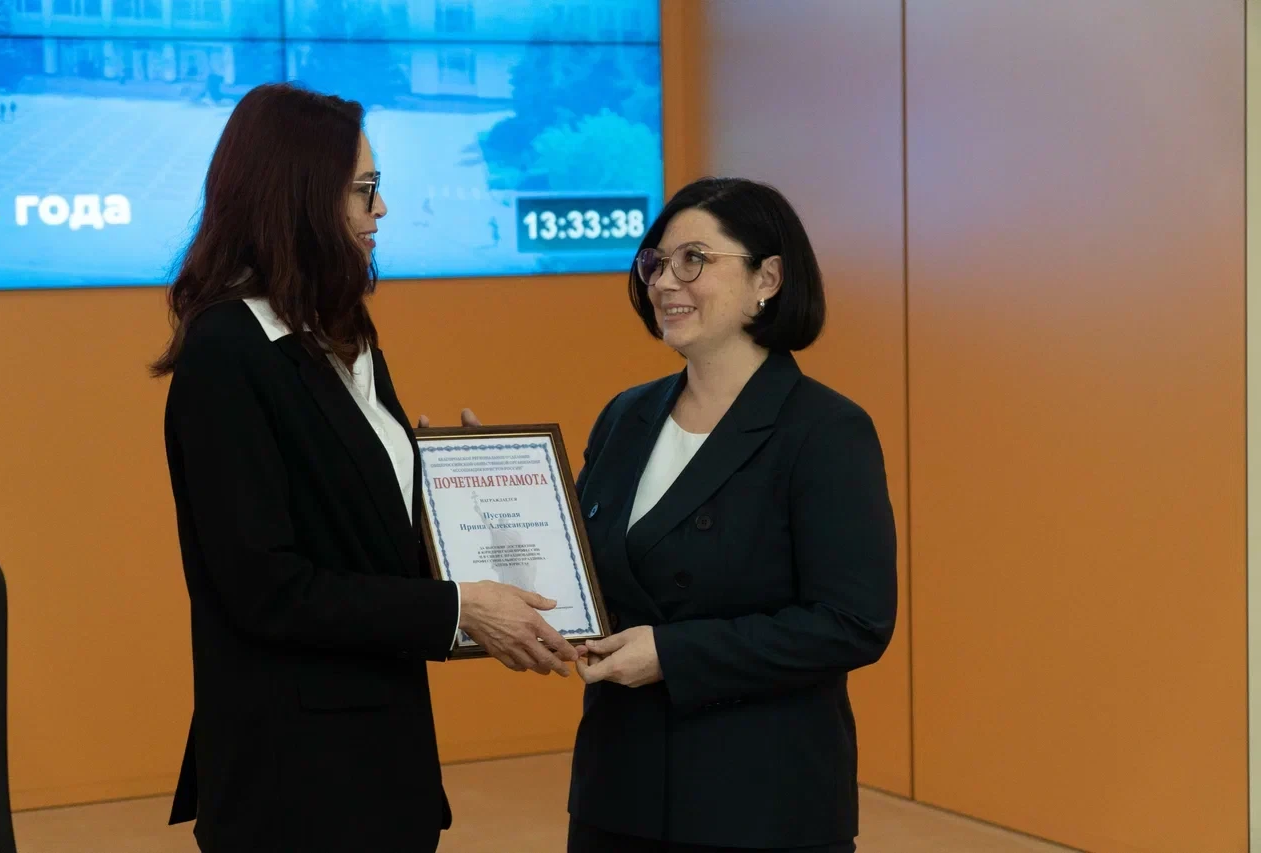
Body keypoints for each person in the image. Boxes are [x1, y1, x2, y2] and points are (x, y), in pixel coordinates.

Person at [149, 82, 577, 853]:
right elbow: (267, 589)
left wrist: (455, 496)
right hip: (294, 785)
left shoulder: (343, 334)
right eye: (364, 189)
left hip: (379, 761)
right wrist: (458, 607)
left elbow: (359, 527)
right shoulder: (227, 355)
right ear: (300, 197)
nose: (381, 209)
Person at [567, 177, 898, 853]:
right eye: (656, 261)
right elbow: (583, 573)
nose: (665, 281)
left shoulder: (825, 429)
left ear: (766, 279)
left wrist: (672, 654)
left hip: (758, 801)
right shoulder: (625, 415)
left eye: (694, 259)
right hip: (619, 790)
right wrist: (494, 500)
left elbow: (852, 623)